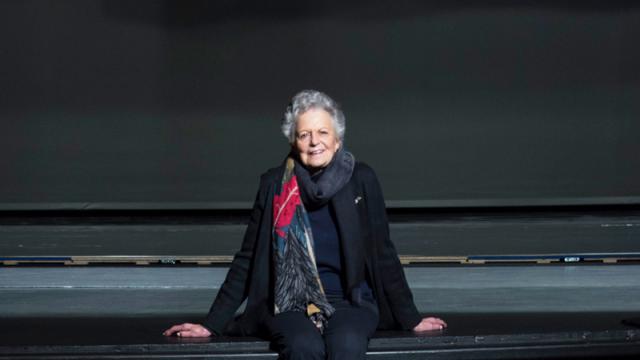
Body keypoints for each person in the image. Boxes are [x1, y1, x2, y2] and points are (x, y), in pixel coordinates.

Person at [164, 90, 446, 359]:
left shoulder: (362, 179)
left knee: (347, 343)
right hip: (288, 304)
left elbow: (383, 253)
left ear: (337, 139)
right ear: (293, 141)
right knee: (303, 346)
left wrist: (411, 318)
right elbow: (247, 260)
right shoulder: (274, 184)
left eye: (323, 132)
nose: (314, 141)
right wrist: (212, 324)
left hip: (349, 301)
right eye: (304, 134)